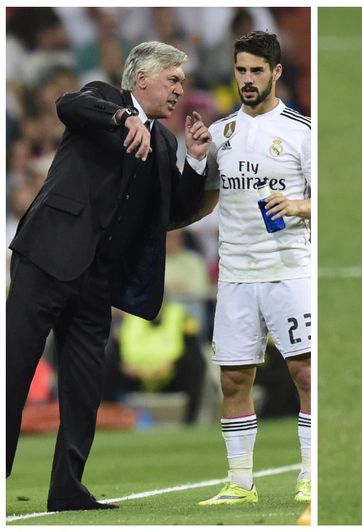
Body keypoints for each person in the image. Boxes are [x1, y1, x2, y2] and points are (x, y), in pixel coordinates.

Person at [6, 40, 210, 511]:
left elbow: (173, 211)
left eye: (183, 81)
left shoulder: (164, 142)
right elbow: (68, 104)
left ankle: (67, 488)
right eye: (173, 79)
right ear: (143, 79)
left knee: (83, 386)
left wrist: (196, 160)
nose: (181, 89)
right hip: (47, 258)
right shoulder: (103, 100)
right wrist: (124, 118)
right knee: (13, 371)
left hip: (96, 277)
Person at [194, 30, 311, 506]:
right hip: (236, 275)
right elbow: (201, 203)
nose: (246, 79)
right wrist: (196, 159)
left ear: (276, 72)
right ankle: (240, 483)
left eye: (256, 70)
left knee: (305, 374)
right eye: (240, 69)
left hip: (289, 270)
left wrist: (299, 206)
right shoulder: (222, 134)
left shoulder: (301, 131)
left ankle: (310, 475)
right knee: (233, 380)